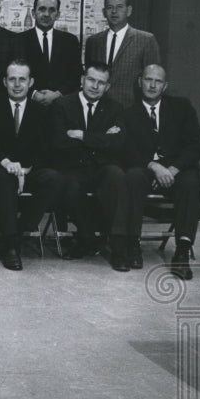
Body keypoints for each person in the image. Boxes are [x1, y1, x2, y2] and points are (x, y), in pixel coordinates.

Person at [0, 59, 62, 271]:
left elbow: (46, 148)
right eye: (12, 79)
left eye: (22, 79)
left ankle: (19, 233)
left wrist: (26, 169)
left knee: (53, 178)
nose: (17, 84)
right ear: (4, 81)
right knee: (3, 178)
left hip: (28, 170)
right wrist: (7, 163)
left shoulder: (41, 111)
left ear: (30, 82)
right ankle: (11, 247)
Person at [122, 64, 200, 279]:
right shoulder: (128, 114)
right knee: (131, 176)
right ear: (140, 82)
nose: (152, 85)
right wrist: (154, 167)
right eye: (148, 79)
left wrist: (172, 170)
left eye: (158, 81)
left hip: (177, 170)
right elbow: (126, 149)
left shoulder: (182, 107)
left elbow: (194, 146)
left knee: (192, 180)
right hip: (145, 168)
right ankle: (132, 244)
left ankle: (182, 251)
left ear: (165, 86)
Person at [50, 62, 130, 271]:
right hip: (73, 167)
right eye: (91, 80)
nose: (95, 86)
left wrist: (82, 135)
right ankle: (87, 237)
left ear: (108, 87)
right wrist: (102, 139)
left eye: (101, 83)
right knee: (68, 183)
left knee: (117, 175)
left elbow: (119, 143)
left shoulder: (115, 108)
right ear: (82, 80)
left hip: (102, 167)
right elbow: (58, 143)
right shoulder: (62, 105)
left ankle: (118, 245)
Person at [84, 0, 161, 109]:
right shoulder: (93, 41)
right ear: (104, 12)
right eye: (110, 7)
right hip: (97, 109)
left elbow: (152, 80)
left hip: (130, 110)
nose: (114, 11)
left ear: (129, 11)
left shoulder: (146, 40)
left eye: (119, 7)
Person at [16, 0, 82, 106]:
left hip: (62, 108)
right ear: (33, 13)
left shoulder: (70, 41)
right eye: (42, 9)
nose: (46, 14)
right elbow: (14, 74)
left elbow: (76, 76)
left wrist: (57, 94)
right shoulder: (19, 40)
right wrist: (33, 93)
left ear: (58, 15)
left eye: (52, 10)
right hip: (29, 106)